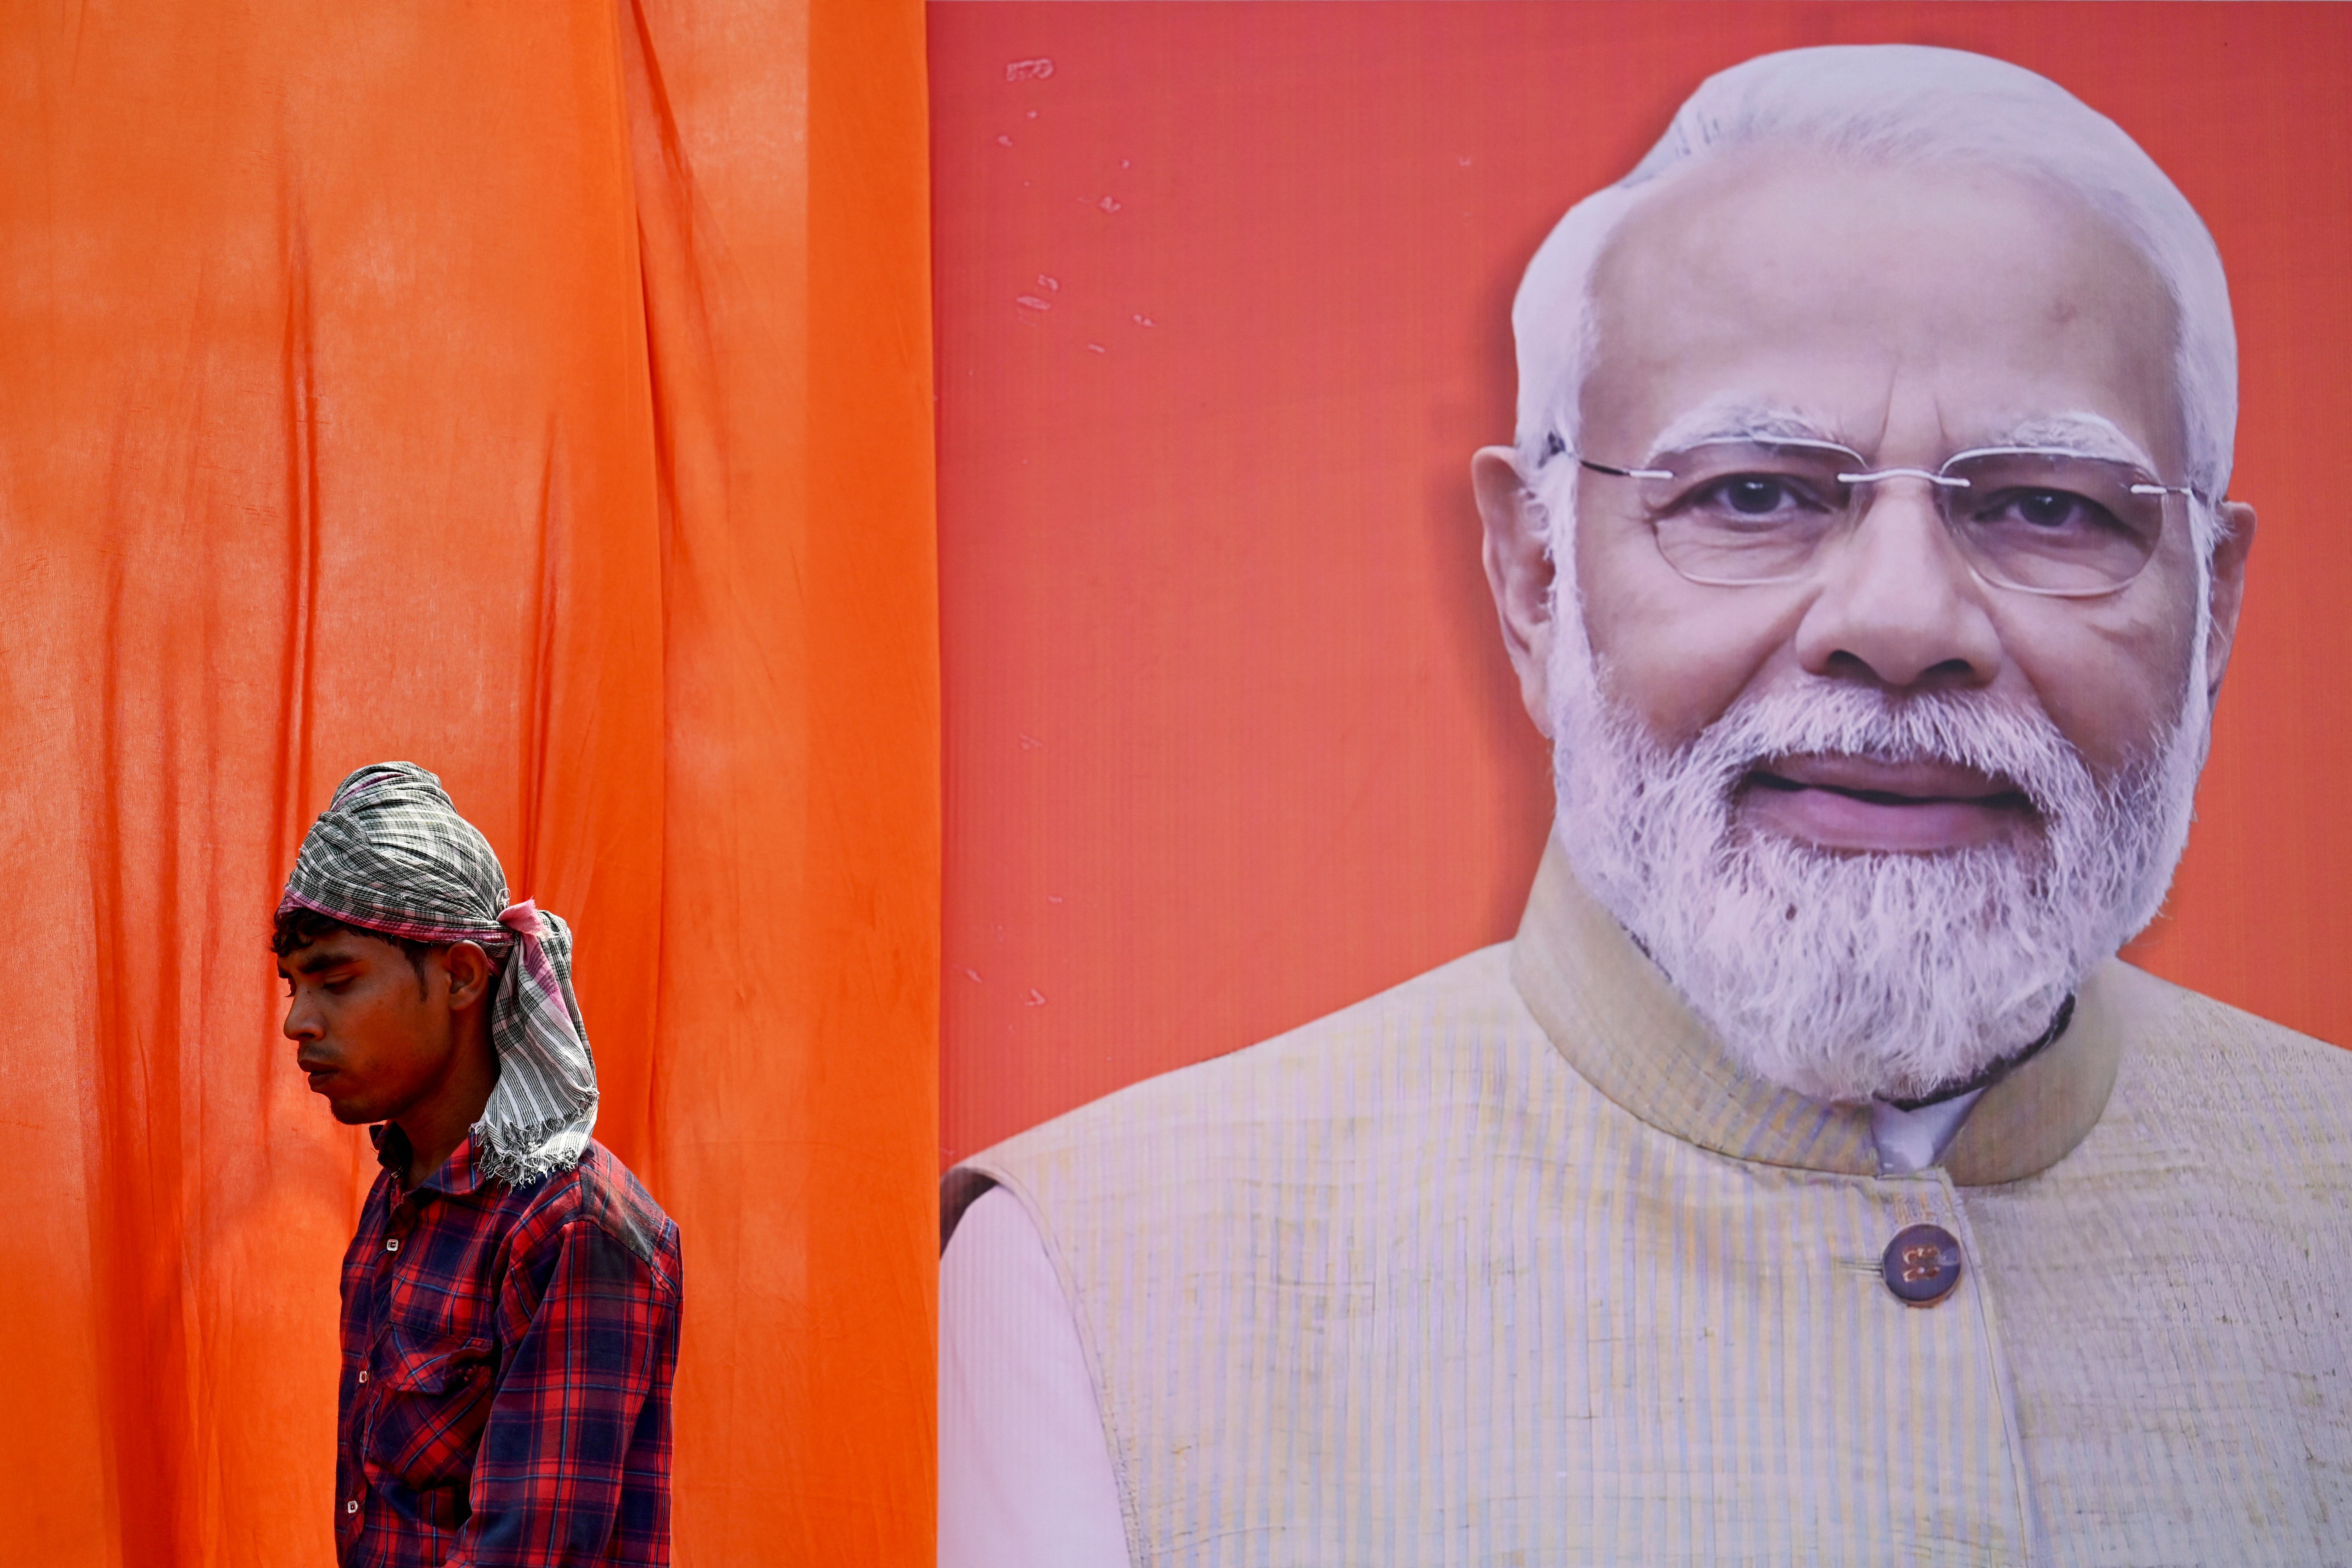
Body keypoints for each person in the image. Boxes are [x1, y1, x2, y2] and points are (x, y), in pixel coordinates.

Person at [938, 44, 2352, 1566]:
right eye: (1751, 494)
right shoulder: (1110, 1290)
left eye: (2043, 507)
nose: (1897, 621)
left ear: (2209, 614)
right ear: (1534, 579)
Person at [278, 761, 681, 1567]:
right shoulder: (395, 1202)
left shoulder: (573, 1224)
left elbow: (529, 1551)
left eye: (337, 980)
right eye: (293, 986)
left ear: (461, 975)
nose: (298, 1022)